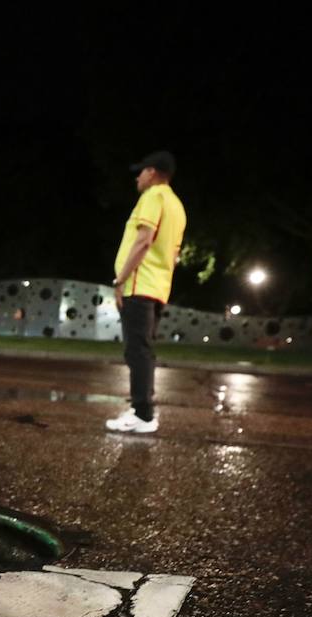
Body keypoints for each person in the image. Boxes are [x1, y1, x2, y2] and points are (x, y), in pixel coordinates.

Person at [106, 151, 186, 434]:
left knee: (136, 350)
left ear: (152, 172)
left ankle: (142, 413)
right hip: (158, 288)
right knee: (143, 350)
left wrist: (120, 280)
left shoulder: (153, 197)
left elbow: (142, 241)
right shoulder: (177, 206)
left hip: (139, 286)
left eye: (140, 172)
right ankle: (143, 411)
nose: (137, 177)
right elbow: (173, 254)